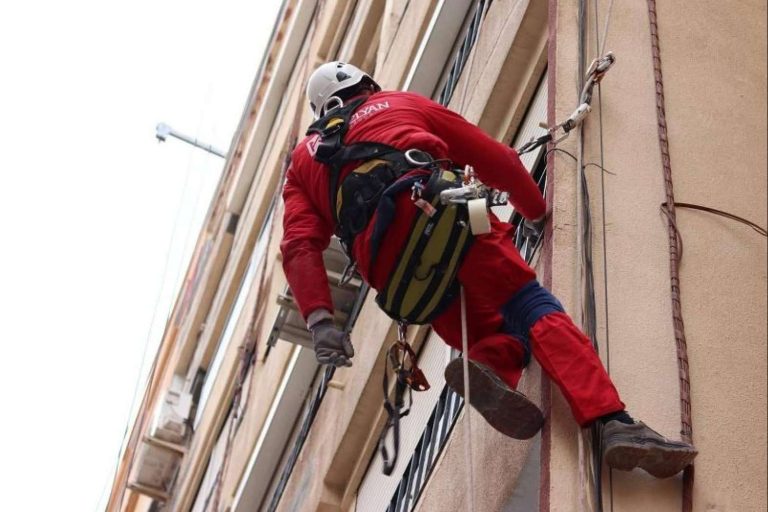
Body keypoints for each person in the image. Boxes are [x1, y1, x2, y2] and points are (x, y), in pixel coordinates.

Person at [280, 61, 697, 478]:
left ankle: (490, 367)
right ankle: (612, 422)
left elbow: (299, 244)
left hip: (398, 276)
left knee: (492, 331)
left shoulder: (302, 163)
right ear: (365, 86)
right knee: (528, 304)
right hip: (445, 216)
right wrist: (534, 211)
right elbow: (494, 157)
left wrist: (320, 320)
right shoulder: (398, 103)